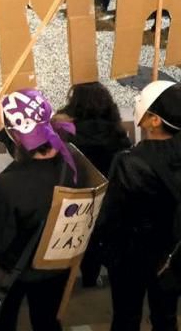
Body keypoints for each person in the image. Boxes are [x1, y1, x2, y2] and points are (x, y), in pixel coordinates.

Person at [96, 81, 181, 331]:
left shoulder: (129, 161)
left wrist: (106, 252)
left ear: (155, 121)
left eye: (143, 100)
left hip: (131, 255)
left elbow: (111, 217)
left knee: (126, 316)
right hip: (174, 251)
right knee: (166, 315)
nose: (137, 103)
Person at [0, 90, 81, 331]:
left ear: (18, 137)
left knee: (1, 322)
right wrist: (2, 128)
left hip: (16, 270)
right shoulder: (68, 158)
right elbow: (32, 159)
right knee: (46, 322)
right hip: (55, 268)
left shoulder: (8, 186)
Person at [57, 81, 131, 288]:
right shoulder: (116, 133)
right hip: (106, 197)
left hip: (72, 197)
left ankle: (64, 282)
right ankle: (91, 276)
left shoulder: (66, 132)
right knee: (96, 239)